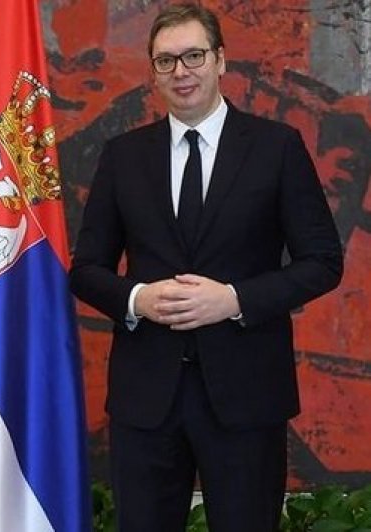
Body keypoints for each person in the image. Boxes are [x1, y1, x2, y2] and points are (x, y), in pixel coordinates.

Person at [70, 4, 343, 531]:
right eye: (166, 60)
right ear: (153, 71)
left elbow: (323, 261)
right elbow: (86, 269)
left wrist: (234, 299)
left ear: (220, 60)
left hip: (246, 396)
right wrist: (139, 299)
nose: (181, 71)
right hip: (146, 400)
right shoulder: (123, 156)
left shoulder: (276, 147)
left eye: (193, 56)